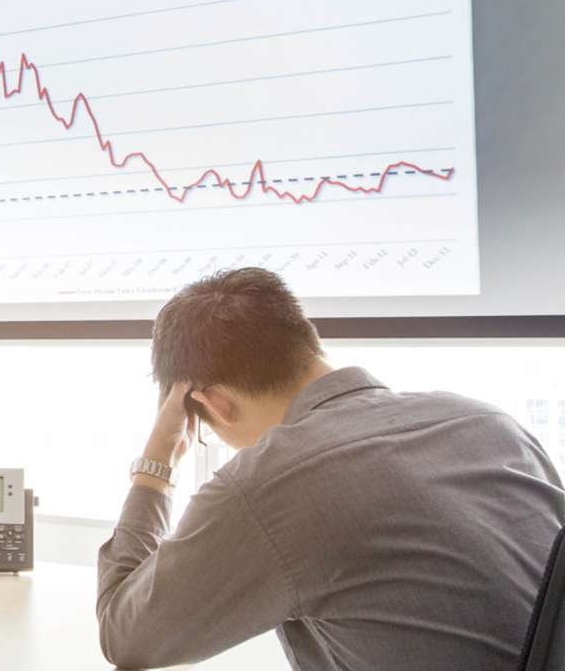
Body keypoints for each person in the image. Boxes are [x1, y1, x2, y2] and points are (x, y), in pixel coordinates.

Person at [97, 268, 565, 669]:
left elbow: (125, 633)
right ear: (306, 341)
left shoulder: (268, 483)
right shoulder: (489, 421)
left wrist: (154, 466)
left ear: (213, 403)